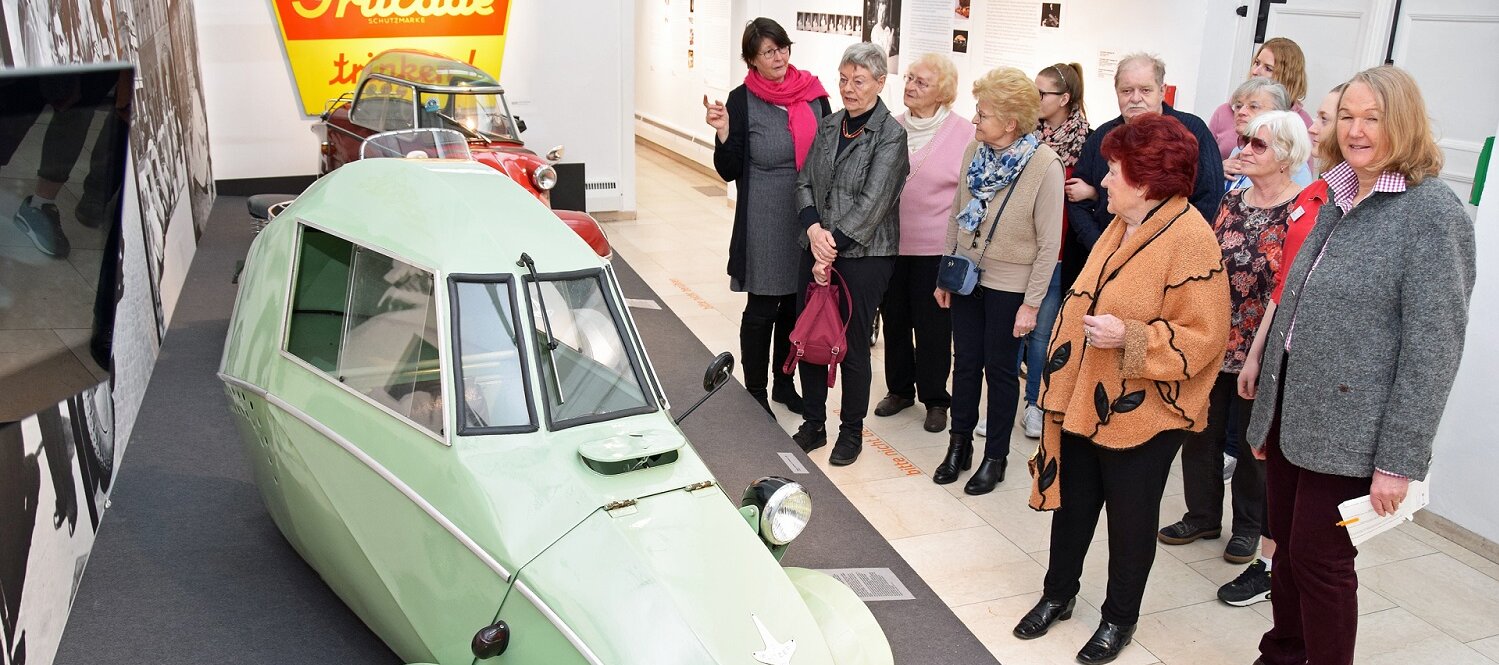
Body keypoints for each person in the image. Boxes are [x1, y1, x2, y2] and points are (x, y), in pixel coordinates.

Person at [1244, 66, 1474, 665]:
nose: (1356, 129)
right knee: (1287, 555)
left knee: (1321, 563)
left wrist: (1398, 461)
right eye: (1347, 115)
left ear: (1404, 122)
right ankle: (1282, 654)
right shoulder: (1338, 192)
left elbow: (1433, 349)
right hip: (1295, 412)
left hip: (1352, 431)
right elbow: (1298, 305)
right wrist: (1269, 405)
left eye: (1373, 117)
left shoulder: (1431, 213)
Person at [1015, 113, 1230, 665]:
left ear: (1148, 178)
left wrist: (1131, 337)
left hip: (1144, 412)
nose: (1103, 181)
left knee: (1132, 522)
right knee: (1075, 505)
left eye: (1114, 171)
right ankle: (1057, 594)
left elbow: (1204, 338)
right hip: (1086, 396)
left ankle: (1119, 619)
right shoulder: (1122, 223)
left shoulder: (1190, 239)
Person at [1157, 110, 1309, 573]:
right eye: (1245, 140)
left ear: (1285, 156)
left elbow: (1287, 289)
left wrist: (1258, 354)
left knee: (1250, 440)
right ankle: (1202, 515)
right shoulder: (1233, 200)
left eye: (1258, 144)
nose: (1244, 149)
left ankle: (1248, 524)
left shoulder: (1302, 210)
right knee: (1198, 428)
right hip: (1212, 336)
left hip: (1260, 343)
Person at [1220, 82, 1344, 608]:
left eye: (1324, 117)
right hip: (1270, 351)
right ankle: (1273, 565)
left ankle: (1271, 564)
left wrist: (1256, 356)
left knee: (1271, 463)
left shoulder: (1317, 202)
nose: (1313, 125)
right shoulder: (1323, 197)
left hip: (1305, 361)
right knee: (1265, 457)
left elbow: (1285, 287)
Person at [931, 66, 1062, 495]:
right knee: (965, 363)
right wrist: (945, 275)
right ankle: (959, 445)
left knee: (1001, 371)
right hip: (967, 277)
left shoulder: (1045, 165)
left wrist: (1032, 304)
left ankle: (995, 458)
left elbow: (1049, 246)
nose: (974, 120)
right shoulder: (974, 151)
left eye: (983, 114)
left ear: (1010, 122)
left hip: (1012, 287)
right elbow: (956, 212)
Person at [790, 42, 909, 465]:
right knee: (810, 337)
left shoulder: (891, 136)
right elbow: (804, 182)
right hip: (818, 244)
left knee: (851, 345)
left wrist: (830, 244)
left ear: (880, 83)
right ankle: (813, 423)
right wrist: (814, 230)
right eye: (843, 79)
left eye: (859, 81)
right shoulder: (830, 125)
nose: (848, 88)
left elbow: (874, 204)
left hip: (864, 257)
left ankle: (851, 432)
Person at [706, 18, 831, 416]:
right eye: (768, 52)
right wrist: (724, 132)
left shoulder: (814, 94)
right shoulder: (741, 101)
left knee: (795, 306)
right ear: (751, 59)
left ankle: (783, 383)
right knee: (763, 309)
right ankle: (755, 389)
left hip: (806, 213)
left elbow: (827, 156)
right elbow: (728, 169)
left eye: (782, 48)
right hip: (763, 215)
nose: (778, 58)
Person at [1060, 53, 1223, 293]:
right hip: (1106, 262)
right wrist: (1102, 244)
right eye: (1127, 91)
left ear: (1162, 90)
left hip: (1167, 266)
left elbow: (1210, 197)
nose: (1136, 99)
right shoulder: (1101, 138)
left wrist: (1167, 247)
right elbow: (1076, 198)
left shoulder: (1191, 131)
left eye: (1145, 90)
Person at [872, 53, 967, 433]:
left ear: (942, 92)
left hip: (935, 250)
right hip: (892, 246)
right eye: (909, 78)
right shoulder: (891, 127)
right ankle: (899, 390)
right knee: (895, 319)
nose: (910, 86)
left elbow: (969, 196)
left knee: (932, 327)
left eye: (921, 82)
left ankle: (935, 398)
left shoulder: (963, 133)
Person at [1016, 62, 1089, 439]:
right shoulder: (1023, 135)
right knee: (1012, 331)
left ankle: (1035, 404)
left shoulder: (1086, 142)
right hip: (1019, 249)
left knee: (1043, 333)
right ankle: (1002, 402)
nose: (1035, 98)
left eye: (1042, 93)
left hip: (1058, 252)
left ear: (1064, 99)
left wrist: (1090, 192)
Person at [1207, 37, 1312, 159]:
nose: (1256, 71)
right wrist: (1222, 169)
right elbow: (1205, 165)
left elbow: (1301, 172)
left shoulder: (1301, 123)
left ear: (1288, 77)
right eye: (1256, 63)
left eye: (1268, 68)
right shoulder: (1224, 112)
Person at [1222, 78, 1312, 190]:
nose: (1241, 112)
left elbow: (1302, 202)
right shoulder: (1238, 151)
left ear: (1277, 113)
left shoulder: (1291, 162)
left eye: (1253, 106)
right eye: (1239, 106)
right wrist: (1219, 172)